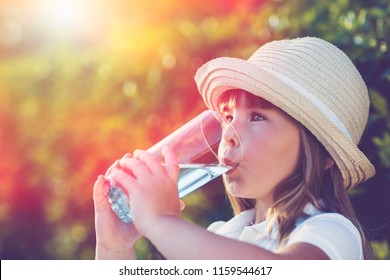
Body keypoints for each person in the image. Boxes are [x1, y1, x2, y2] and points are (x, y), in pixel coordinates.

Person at [93, 37, 375, 260]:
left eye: (257, 117)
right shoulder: (224, 235)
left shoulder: (333, 233)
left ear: (323, 154)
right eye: (228, 117)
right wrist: (114, 249)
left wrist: (162, 223)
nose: (228, 134)